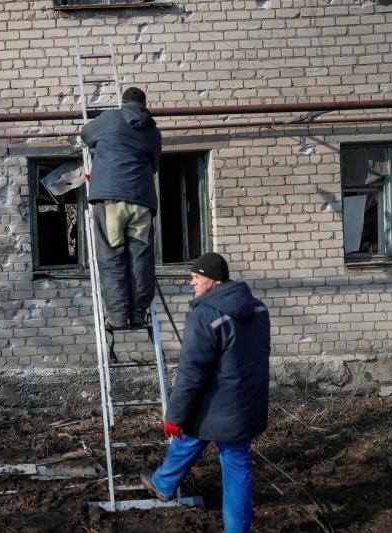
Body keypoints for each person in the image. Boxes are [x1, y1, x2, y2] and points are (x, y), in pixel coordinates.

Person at [139, 252, 270, 533]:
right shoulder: (258, 309)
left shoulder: (206, 315)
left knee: (188, 434)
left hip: (214, 405)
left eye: (196, 278)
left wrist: (173, 415)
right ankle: (164, 484)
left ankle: (163, 484)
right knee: (233, 464)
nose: (192, 283)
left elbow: (192, 372)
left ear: (212, 280)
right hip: (246, 404)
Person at [80, 86, 162, 328]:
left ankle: (117, 317)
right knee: (141, 259)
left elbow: (86, 135)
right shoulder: (153, 131)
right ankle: (138, 316)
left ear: (123, 102)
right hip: (142, 203)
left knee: (112, 257)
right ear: (145, 105)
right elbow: (154, 166)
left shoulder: (109, 118)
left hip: (112, 200)